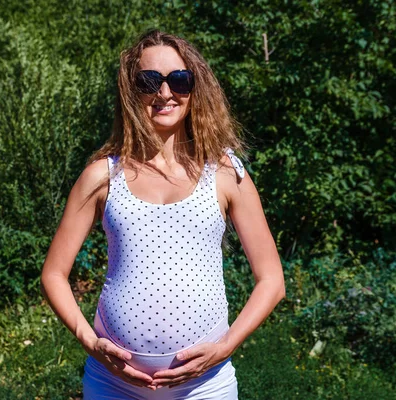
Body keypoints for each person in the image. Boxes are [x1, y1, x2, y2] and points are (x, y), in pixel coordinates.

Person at [40, 29, 285, 399]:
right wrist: (89, 341)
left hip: (207, 384)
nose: (165, 93)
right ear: (130, 89)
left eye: (179, 80)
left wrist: (226, 345)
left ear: (194, 87)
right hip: (114, 384)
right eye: (149, 81)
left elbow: (272, 280)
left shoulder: (225, 173)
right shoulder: (101, 176)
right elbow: (54, 274)